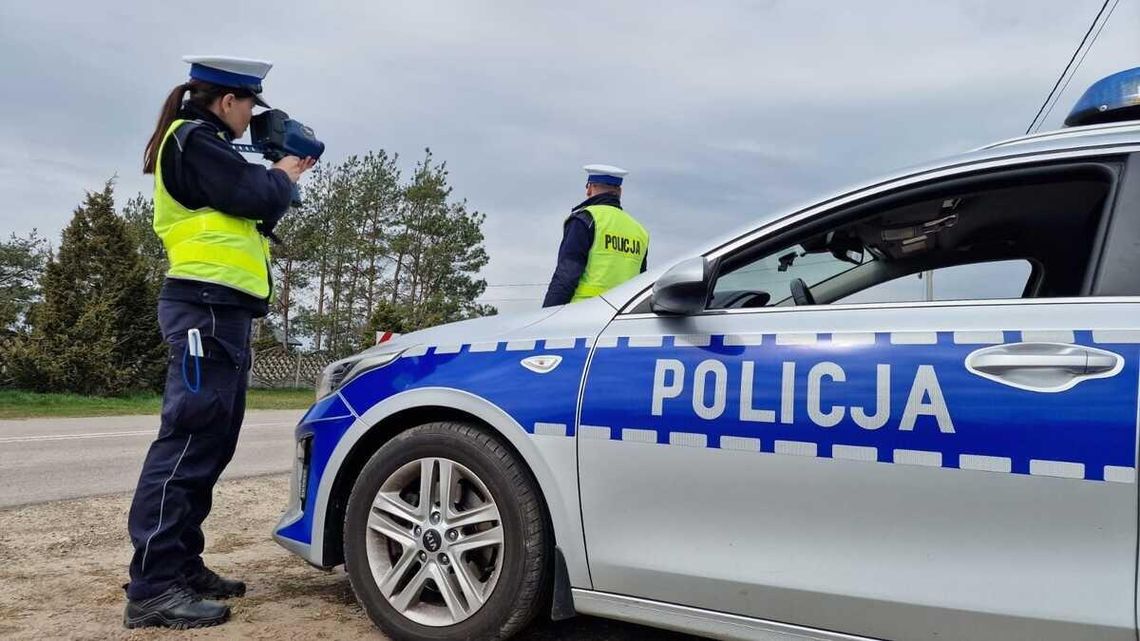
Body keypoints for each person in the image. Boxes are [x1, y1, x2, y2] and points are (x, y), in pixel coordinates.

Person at [123, 55, 315, 629]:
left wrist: (278, 177)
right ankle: (153, 587)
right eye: (249, 107)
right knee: (186, 442)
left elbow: (252, 200)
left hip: (222, 311)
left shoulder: (208, 146)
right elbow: (257, 196)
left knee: (211, 442)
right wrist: (284, 170)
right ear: (227, 101)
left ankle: (180, 564)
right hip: (202, 310)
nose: (251, 118)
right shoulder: (193, 139)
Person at [542, 164, 649, 307]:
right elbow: (641, 282)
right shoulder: (639, 231)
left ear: (590, 188)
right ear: (619, 192)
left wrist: (546, 316)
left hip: (584, 316)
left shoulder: (585, 219)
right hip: (621, 319)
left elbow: (566, 276)